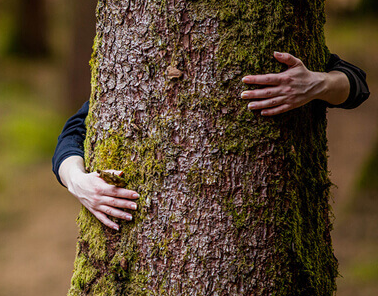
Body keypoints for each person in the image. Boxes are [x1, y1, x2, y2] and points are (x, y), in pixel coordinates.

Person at [52, 51, 370, 230]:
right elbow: (74, 131)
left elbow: (356, 85)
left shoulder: (267, 32)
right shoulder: (138, 53)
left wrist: (320, 83)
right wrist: (77, 181)